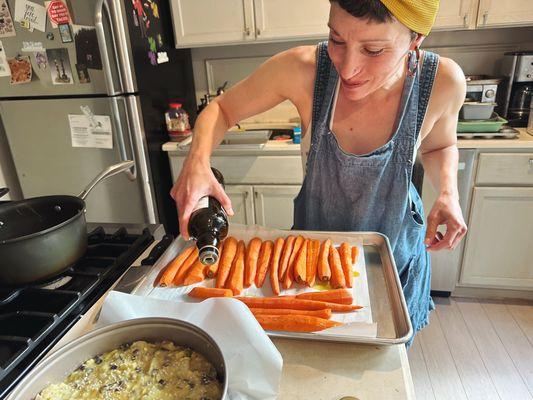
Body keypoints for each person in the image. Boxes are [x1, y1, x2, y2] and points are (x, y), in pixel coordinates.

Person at [171, 0, 467, 345]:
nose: (348, 67)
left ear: (415, 39)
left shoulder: (442, 82)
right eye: (337, 39)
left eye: (374, 49)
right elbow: (221, 108)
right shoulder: (304, 70)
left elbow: (438, 146)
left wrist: (449, 191)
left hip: (393, 266)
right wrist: (197, 161)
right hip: (307, 271)